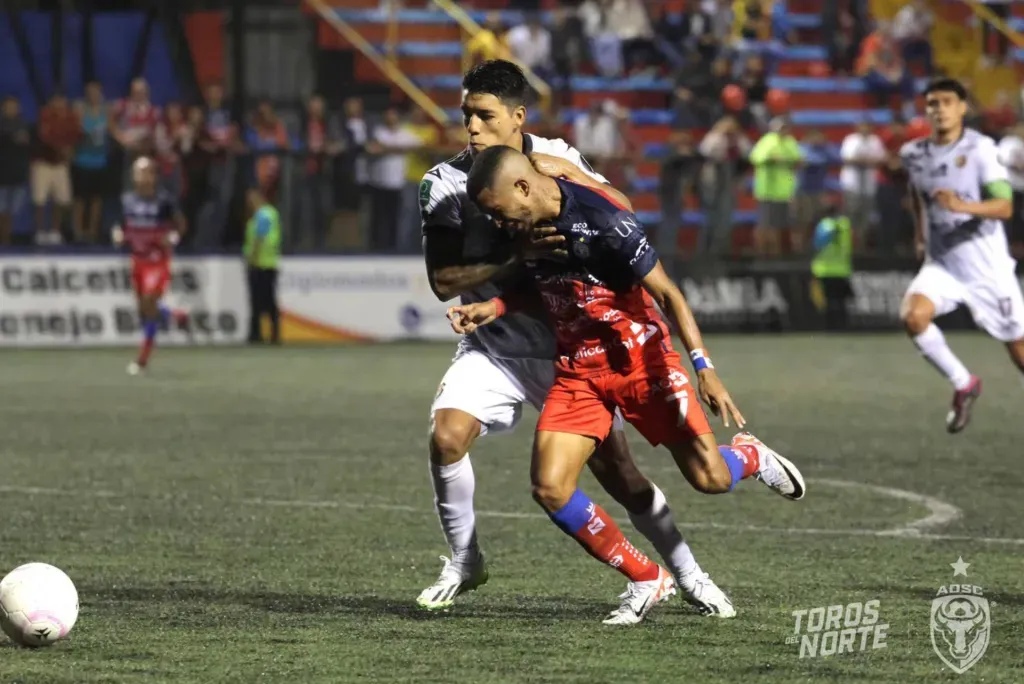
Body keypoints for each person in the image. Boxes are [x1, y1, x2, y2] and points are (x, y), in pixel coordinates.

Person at [418, 59, 735, 621]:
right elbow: (444, 281)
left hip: (571, 349)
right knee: (446, 438)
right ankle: (465, 560)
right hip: (495, 339)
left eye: (483, 115)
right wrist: (511, 259)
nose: (470, 126)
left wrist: (578, 176)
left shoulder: (556, 155)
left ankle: (688, 572)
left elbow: (622, 218)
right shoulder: (442, 184)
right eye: (465, 113)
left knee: (622, 477)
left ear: (517, 117)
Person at [449, 145, 805, 623]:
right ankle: (646, 576)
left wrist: (705, 367)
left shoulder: (601, 219)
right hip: (579, 372)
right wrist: (492, 308)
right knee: (550, 488)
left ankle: (749, 456)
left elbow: (668, 293)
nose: (498, 222)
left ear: (523, 187)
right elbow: (539, 289)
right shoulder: (523, 232)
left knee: (710, 480)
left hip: (643, 360)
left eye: (498, 210)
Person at [899, 78, 1023, 433]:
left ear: (962, 108)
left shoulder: (982, 149)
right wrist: (920, 234)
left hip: (987, 267)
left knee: (1017, 348)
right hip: (943, 264)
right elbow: (917, 192)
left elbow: (1004, 207)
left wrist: (962, 205)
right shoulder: (913, 154)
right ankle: (964, 383)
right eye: (932, 103)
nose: (939, 109)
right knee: (913, 317)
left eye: (947, 102)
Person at [113, 157, 189, 375]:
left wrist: (172, 239)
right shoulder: (127, 200)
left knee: (148, 303)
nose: (142, 176)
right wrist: (118, 235)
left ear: (154, 176)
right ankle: (174, 315)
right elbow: (121, 225)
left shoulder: (164, 201)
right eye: (138, 171)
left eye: (146, 171)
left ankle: (142, 360)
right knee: (145, 310)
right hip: (137, 259)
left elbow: (180, 224)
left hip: (157, 260)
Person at [244, 188, 282, 344]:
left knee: (260, 301)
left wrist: (252, 257)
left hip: (261, 263)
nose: (249, 203)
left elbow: (259, 237)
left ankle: (258, 334)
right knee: (266, 300)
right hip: (268, 262)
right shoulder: (269, 214)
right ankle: (269, 333)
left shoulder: (263, 214)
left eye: (251, 199)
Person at [810, 202, 854, 330]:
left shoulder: (823, 225)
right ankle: (843, 327)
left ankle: (829, 327)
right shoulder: (845, 224)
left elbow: (817, 245)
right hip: (842, 269)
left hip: (824, 270)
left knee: (828, 303)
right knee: (841, 302)